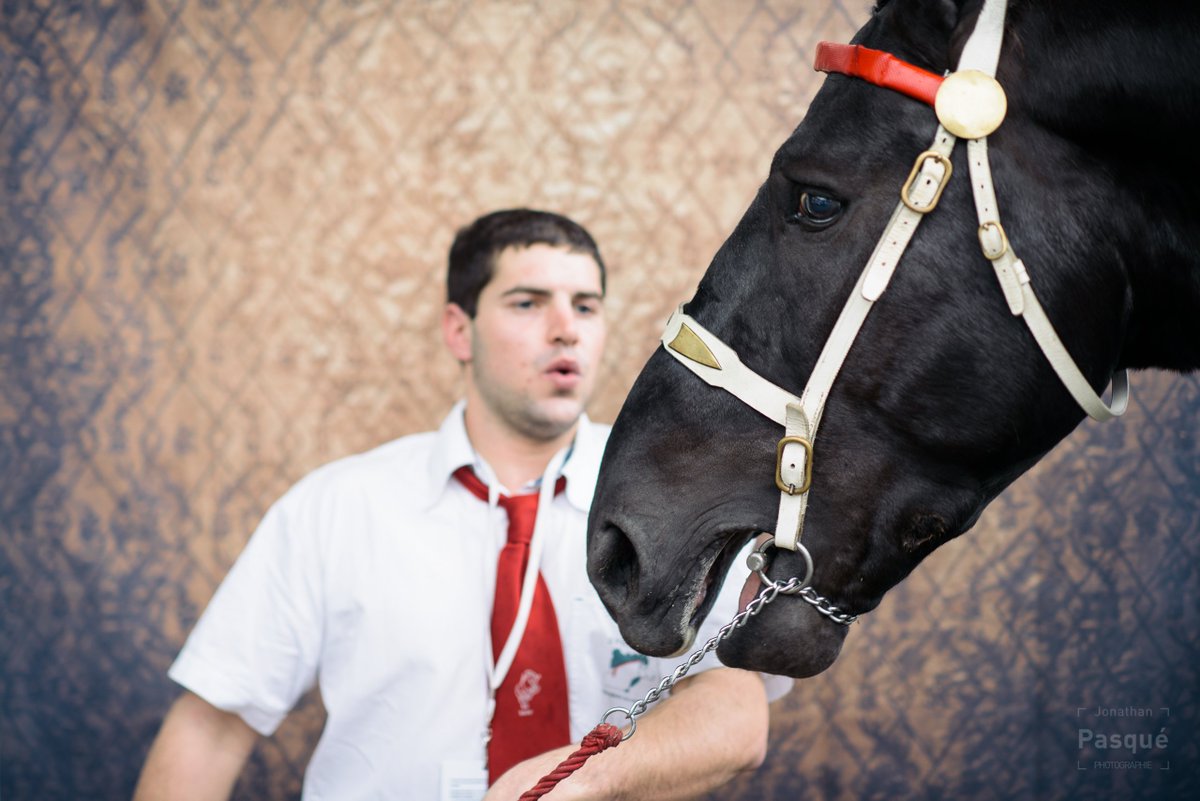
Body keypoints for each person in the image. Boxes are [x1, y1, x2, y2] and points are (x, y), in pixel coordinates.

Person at [133, 209, 789, 801]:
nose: (565, 330)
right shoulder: (336, 508)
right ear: (459, 329)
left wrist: (585, 778)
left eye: (585, 307)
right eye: (528, 302)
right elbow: (209, 729)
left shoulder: (680, 502)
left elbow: (736, 711)